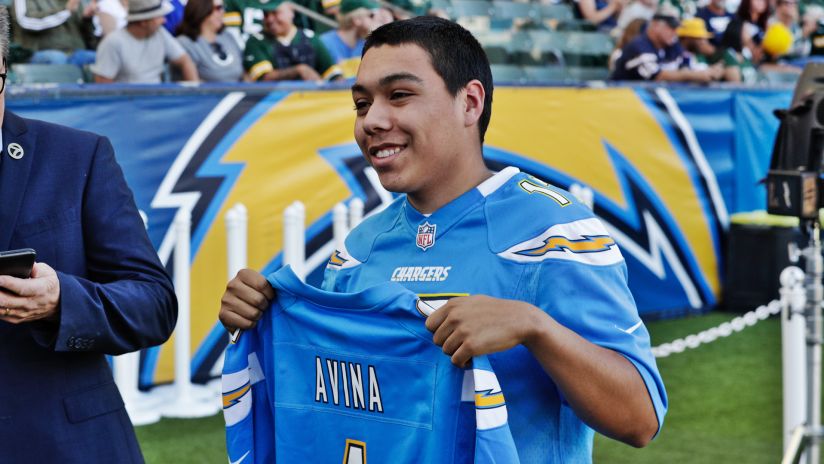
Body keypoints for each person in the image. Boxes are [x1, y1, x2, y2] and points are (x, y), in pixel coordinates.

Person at [219, 16, 667, 463]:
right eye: (360, 103)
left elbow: (639, 419)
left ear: (470, 103)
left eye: (399, 95)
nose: (371, 120)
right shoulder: (359, 247)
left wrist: (535, 327)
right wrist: (259, 316)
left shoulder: (554, 230)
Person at [0, 6, 178, 462]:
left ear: (6, 70)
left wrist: (62, 303)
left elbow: (154, 304)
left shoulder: (77, 155)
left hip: (62, 445)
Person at [92, 0, 199, 83]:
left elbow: (185, 61)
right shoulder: (113, 43)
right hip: (127, 106)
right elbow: (103, 83)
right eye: (159, 17)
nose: (164, 20)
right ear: (144, 22)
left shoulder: (160, 33)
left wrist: (195, 93)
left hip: (155, 103)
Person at [611, 8, 724, 82]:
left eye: (676, 28)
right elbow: (657, 76)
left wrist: (709, 72)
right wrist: (695, 75)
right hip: (623, 102)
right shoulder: (639, 45)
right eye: (670, 28)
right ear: (655, 26)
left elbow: (685, 65)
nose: (674, 32)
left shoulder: (671, 45)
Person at [243, 0, 340, 81]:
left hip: (312, 100)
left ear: (291, 12)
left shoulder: (311, 38)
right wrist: (299, 70)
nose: (270, 19)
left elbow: (333, 74)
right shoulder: (256, 41)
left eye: (275, 13)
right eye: (266, 14)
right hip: (273, 101)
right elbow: (264, 78)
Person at [176, 0, 246, 82]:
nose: (223, 12)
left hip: (239, 93)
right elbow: (193, 85)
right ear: (202, 10)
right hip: (207, 94)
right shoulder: (184, 43)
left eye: (223, 8)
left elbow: (243, 74)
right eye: (219, 8)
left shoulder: (228, 37)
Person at [11, 0, 97, 66]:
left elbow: (89, 39)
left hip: (75, 52)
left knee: (100, 59)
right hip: (37, 52)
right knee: (58, 59)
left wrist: (87, 18)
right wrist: (65, 11)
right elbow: (26, 22)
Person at [319, 0, 378, 78]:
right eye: (371, 16)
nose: (375, 21)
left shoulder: (370, 43)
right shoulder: (325, 43)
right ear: (357, 20)